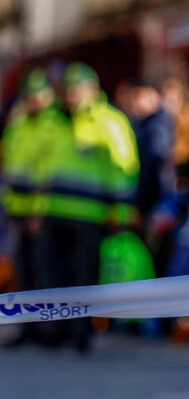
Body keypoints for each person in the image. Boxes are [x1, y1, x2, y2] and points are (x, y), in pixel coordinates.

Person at [35, 63, 139, 352]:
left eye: (77, 89)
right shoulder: (54, 121)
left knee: (84, 276)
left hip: (90, 214)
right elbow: (42, 168)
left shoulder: (109, 121)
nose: (72, 95)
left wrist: (120, 213)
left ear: (92, 89)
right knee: (53, 272)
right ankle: (56, 329)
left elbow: (123, 169)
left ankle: (81, 331)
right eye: (68, 89)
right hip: (54, 210)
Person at [0, 70, 63, 347]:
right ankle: (26, 327)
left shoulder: (57, 127)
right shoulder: (18, 125)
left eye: (40, 94)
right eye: (30, 94)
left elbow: (50, 175)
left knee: (44, 271)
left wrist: (40, 211)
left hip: (43, 212)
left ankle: (48, 330)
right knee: (23, 272)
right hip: (17, 210)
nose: (34, 100)